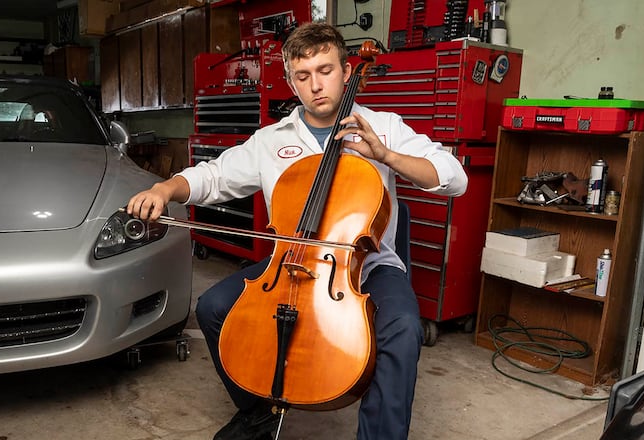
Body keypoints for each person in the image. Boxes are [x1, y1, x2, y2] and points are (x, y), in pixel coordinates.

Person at [127, 22, 468, 440]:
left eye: (325, 70)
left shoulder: (385, 127)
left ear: (346, 71)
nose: (316, 85)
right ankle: (258, 411)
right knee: (214, 307)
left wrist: (386, 155)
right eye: (302, 76)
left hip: (369, 266)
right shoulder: (271, 140)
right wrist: (164, 189)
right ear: (290, 82)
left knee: (402, 328)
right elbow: (213, 176)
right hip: (290, 261)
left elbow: (455, 177)